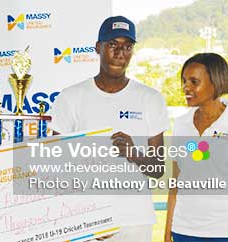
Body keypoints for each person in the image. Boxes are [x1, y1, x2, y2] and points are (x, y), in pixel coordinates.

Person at [50, 16, 167, 241]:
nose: (120, 53)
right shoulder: (71, 97)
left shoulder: (150, 99)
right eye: (113, 45)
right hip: (85, 220)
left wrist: (134, 154)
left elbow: (158, 169)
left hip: (135, 220)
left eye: (127, 47)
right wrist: (92, 213)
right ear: (98, 47)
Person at [164, 53, 228, 242]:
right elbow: (175, 184)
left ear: (216, 83)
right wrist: (167, 234)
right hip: (183, 231)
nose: (186, 88)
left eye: (194, 81)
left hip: (227, 233)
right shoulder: (181, 124)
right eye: (184, 81)